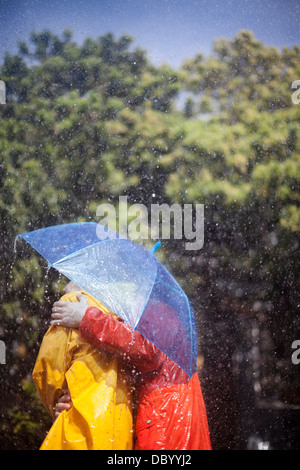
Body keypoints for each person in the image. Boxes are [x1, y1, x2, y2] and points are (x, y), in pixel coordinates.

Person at [51, 294, 212, 450]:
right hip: (164, 418)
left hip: (167, 422)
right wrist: (75, 403)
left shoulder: (156, 308)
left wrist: (87, 318)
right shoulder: (139, 313)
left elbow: (146, 347)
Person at [32, 281, 134, 450]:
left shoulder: (72, 302)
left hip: (79, 424)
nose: (65, 284)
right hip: (120, 426)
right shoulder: (127, 313)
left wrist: (55, 402)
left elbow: (48, 368)